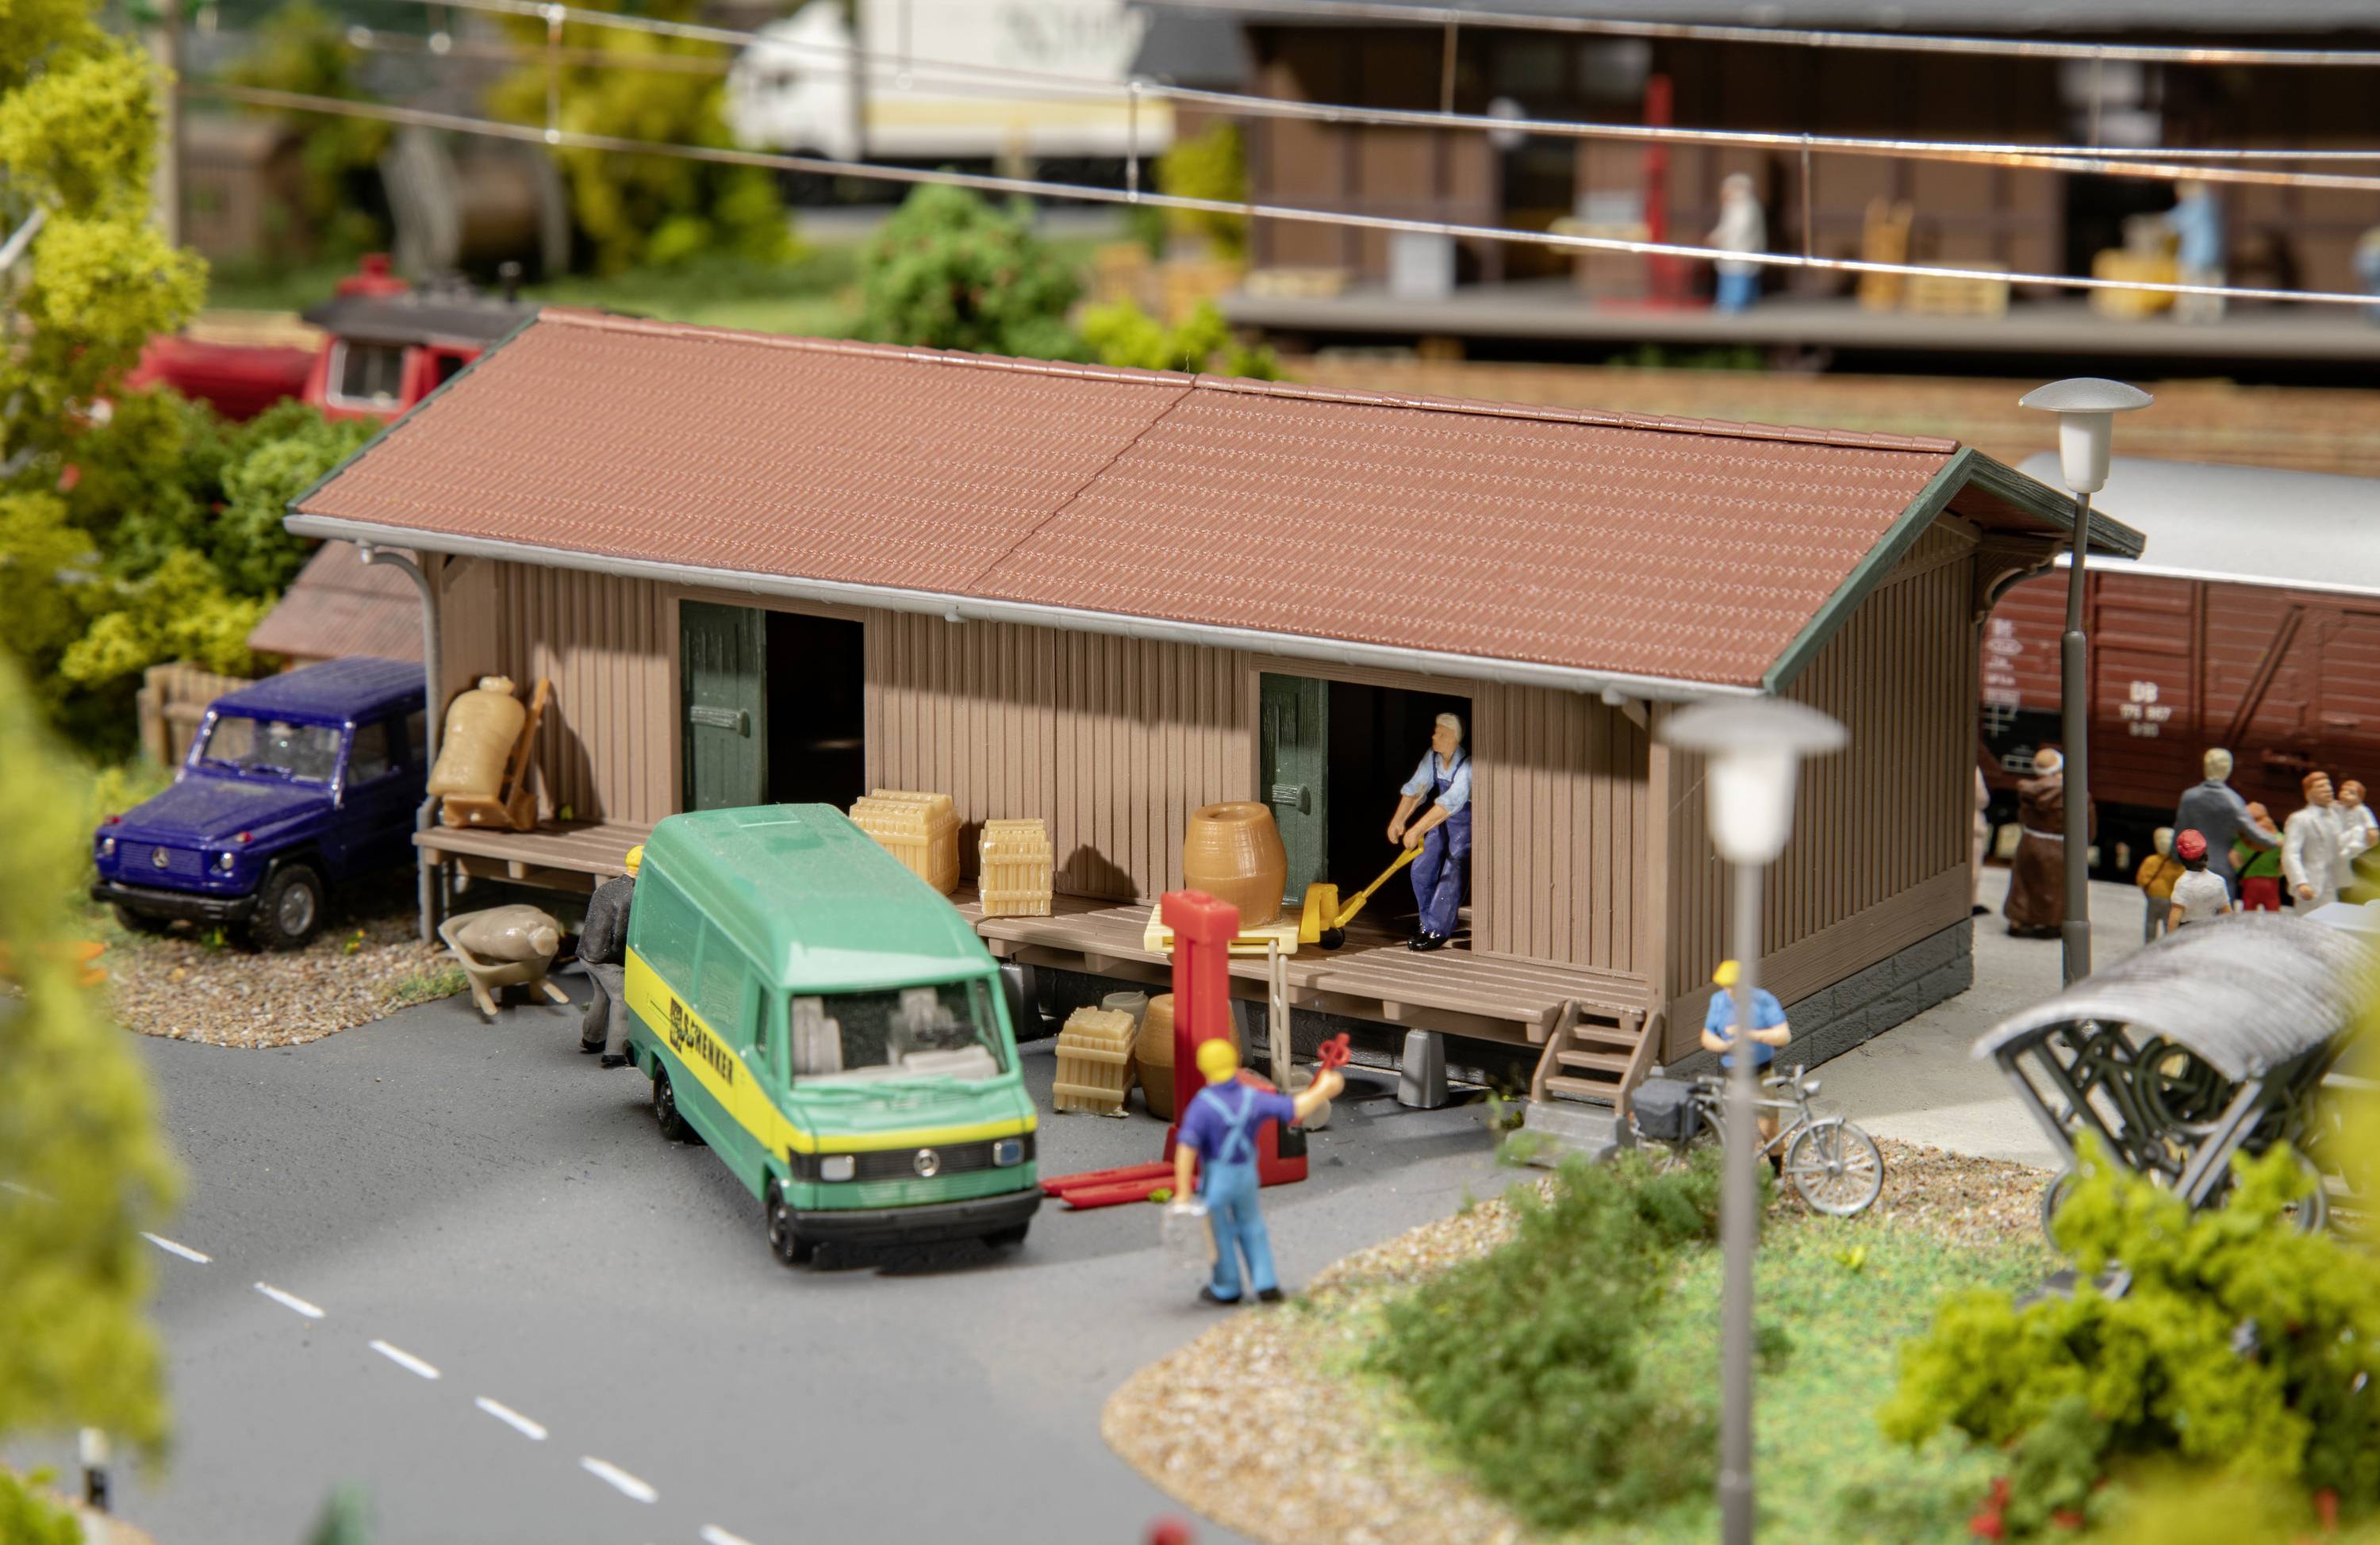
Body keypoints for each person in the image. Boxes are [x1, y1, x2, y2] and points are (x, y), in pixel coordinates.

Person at [1169, 1037, 1343, 1306]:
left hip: (1218, 1177)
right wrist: (1322, 1090)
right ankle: (1266, 1283)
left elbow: (1186, 1150)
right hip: (1246, 1175)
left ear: (1203, 1068)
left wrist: (1182, 1192)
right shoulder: (1252, 1097)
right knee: (1252, 1225)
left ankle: (1227, 1287)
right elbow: (1295, 1109)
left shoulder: (1202, 1106)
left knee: (1219, 1230)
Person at [1388, 712, 1471, 953]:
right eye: (1436, 732)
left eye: (1441, 734)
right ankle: (1427, 920)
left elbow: (1450, 803)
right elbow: (1416, 789)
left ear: (1455, 740)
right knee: (1421, 867)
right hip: (1440, 821)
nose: (1434, 737)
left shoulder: (1468, 767)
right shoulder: (1433, 757)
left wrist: (1416, 829)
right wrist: (1398, 820)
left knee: (1453, 871)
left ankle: (1438, 929)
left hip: (1464, 823)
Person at [1699, 960, 1791, 1162]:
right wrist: (1726, 1045)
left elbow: (1783, 1035)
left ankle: (1776, 1171)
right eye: (1726, 986)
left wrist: (1750, 1035)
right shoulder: (1719, 1002)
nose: (1730, 991)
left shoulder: (1763, 1001)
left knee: (1769, 1127)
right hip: (1735, 1077)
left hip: (1761, 1074)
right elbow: (1707, 1037)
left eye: (1734, 986)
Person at [2003, 747, 2090, 939]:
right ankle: (2050, 923)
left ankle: (2018, 920)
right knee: (2055, 886)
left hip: (2031, 840)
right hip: (2059, 844)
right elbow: (2087, 823)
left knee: (2023, 882)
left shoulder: (2028, 791)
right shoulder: (2076, 793)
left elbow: (2022, 816)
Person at [2173, 747, 2274, 900]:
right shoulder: (2233, 800)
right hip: (2221, 871)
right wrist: (2276, 841)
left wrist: (2175, 858)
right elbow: (2253, 833)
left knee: (2189, 910)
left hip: (2192, 868)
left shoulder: (2189, 797)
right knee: (2221, 912)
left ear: (2205, 767)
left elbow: (2179, 833)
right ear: (2228, 769)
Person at [578, 844, 640, 1067]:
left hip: (587, 953)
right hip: (606, 959)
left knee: (602, 995)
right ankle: (615, 1053)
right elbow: (621, 934)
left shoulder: (607, 886)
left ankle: (591, 1039)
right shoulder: (632, 895)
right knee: (622, 999)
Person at [2285, 770, 2374, 905]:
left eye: (2328, 785)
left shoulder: (2336, 817)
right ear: (2309, 792)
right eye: (2321, 786)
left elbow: (2345, 843)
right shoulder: (2300, 819)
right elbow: (2291, 854)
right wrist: (2300, 882)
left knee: (2330, 915)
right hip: (2311, 882)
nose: (2328, 789)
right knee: (2308, 916)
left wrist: (2366, 841)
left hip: (2332, 882)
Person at [2160, 179, 2225, 324]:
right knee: (2211, 282)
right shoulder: (2211, 204)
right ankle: (2212, 311)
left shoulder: (2195, 205)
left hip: (2196, 252)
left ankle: (2191, 310)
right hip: (2213, 251)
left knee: (2192, 281)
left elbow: (2177, 221)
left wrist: (2160, 222)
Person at [1708, 172, 1766, 314]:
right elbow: (1726, 226)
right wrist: (1716, 236)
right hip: (1730, 249)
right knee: (1729, 276)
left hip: (1741, 248)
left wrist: (1724, 239)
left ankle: (1736, 304)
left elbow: (1741, 228)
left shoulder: (1747, 205)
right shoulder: (1732, 205)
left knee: (1739, 276)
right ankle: (1727, 303)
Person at [2165, 830, 2232, 929]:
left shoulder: (2183, 884)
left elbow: (2174, 920)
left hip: (2187, 930)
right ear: (2206, 855)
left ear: (2182, 858)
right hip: (2209, 929)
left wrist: (2170, 937)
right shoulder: (2218, 881)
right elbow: (2227, 913)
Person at [2134, 827, 2183, 942]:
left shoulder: (2150, 860)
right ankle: (2168, 944)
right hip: (2169, 899)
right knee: (2168, 923)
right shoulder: (2177, 865)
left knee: (2151, 923)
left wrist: (2147, 887)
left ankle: (2149, 943)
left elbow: (2141, 878)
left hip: (2152, 897)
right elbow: (2181, 882)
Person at [2234, 803, 2286, 912]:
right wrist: (2280, 873)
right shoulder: (2280, 840)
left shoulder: (2243, 841)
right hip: (2272, 881)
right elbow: (2285, 861)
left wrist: (2240, 871)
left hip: (2250, 882)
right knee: (2273, 909)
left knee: (2249, 909)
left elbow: (2234, 858)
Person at [1971, 765, 1992, 917]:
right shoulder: (1974, 769)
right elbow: (1981, 798)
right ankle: (1972, 901)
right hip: (1972, 823)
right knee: (1973, 866)